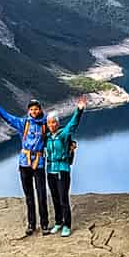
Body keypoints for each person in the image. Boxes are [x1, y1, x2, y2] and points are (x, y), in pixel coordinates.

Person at [0, 94, 51, 236]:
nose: (34, 112)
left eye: (36, 109)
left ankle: (45, 224)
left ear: (40, 110)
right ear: (29, 111)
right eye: (32, 110)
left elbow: (58, 130)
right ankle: (31, 224)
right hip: (24, 163)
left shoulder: (46, 123)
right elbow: (8, 118)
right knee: (29, 196)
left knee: (41, 195)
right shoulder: (24, 123)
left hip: (38, 163)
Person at [44, 99, 87, 235]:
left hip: (62, 170)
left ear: (57, 123)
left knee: (63, 199)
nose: (51, 125)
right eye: (49, 122)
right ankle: (58, 222)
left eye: (54, 122)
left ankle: (67, 225)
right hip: (50, 170)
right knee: (55, 198)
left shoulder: (63, 134)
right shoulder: (47, 137)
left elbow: (72, 124)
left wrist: (79, 110)